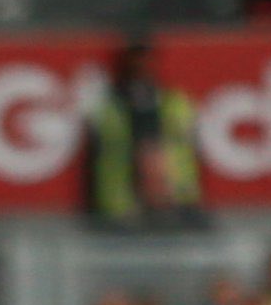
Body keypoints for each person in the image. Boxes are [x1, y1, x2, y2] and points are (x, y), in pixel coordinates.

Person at [86, 40, 201, 228]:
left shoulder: (175, 103)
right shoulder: (110, 109)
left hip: (175, 205)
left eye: (148, 62)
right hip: (121, 211)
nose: (143, 68)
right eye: (138, 63)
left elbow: (193, 154)